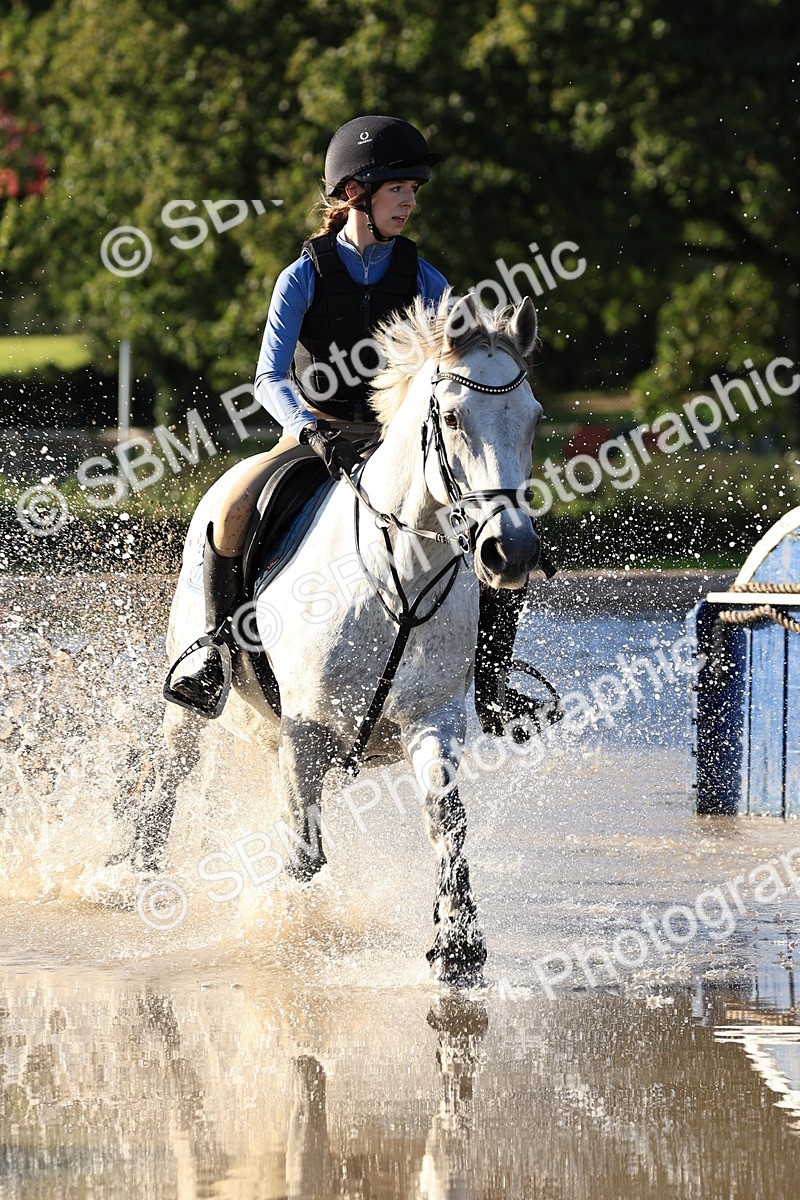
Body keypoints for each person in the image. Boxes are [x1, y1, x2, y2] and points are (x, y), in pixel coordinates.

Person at [168, 114, 543, 739]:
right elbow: (267, 377)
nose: (410, 201)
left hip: (398, 446)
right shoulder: (304, 274)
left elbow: (449, 376)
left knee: (496, 529)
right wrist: (306, 426)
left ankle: (491, 676)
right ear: (354, 194)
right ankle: (213, 649)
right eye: (399, 188)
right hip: (314, 437)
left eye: (414, 191)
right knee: (232, 506)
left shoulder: (426, 279)